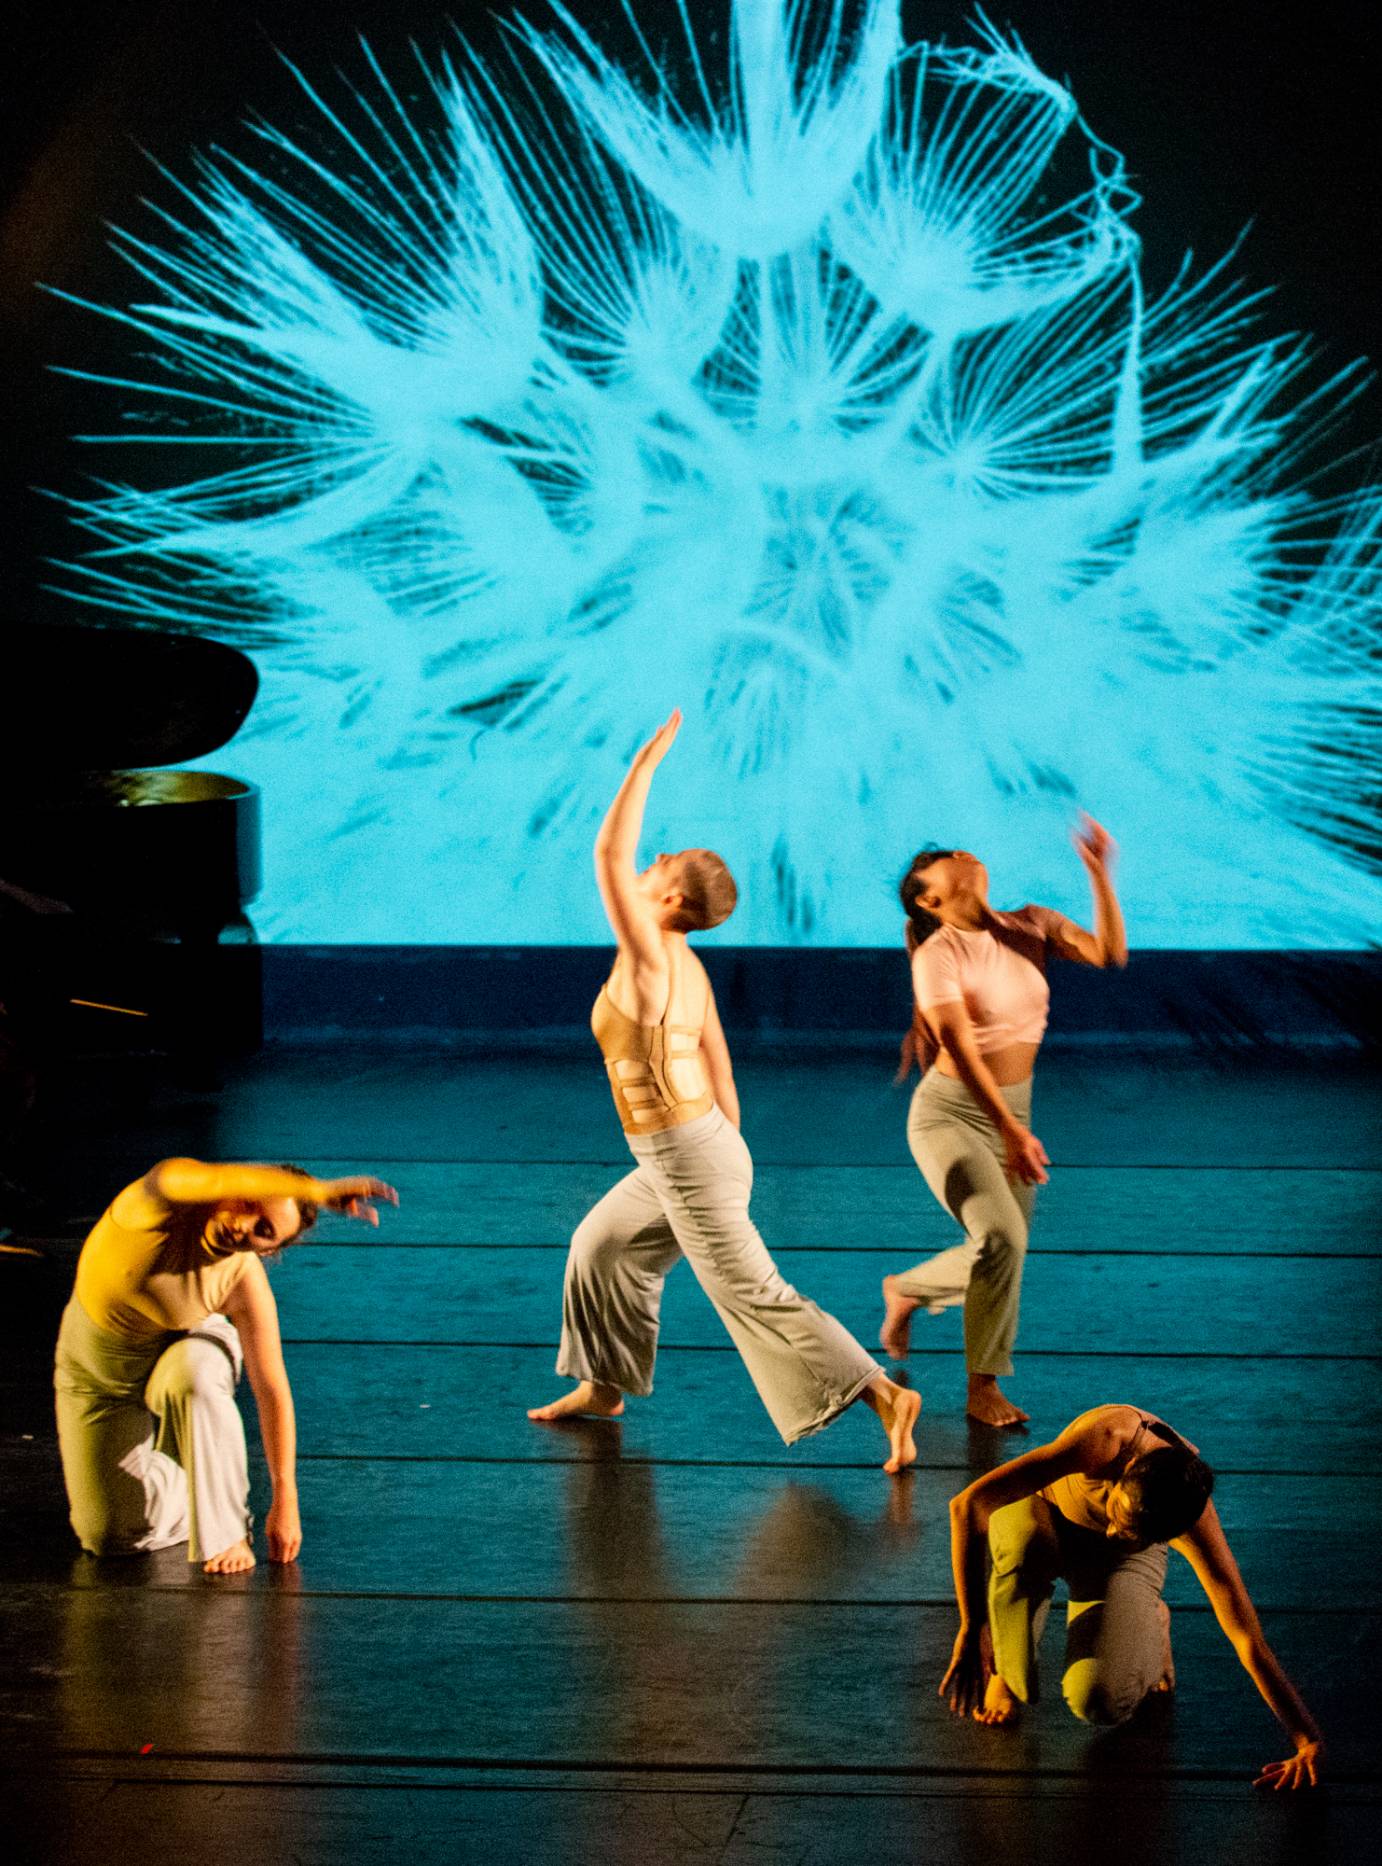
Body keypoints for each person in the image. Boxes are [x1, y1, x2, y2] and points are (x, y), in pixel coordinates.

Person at [528, 710, 921, 1472]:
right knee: (601, 1247)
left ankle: (884, 1396)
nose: (657, 855)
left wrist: (644, 764)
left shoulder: (648, 960)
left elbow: (609, 855)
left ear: (672, 904)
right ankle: (603, 1389)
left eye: (666, 863)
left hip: (687, 1157)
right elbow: (722, 1065)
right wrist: (727, 1155)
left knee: (754, 1294)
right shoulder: (686, 966)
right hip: (700, 1150)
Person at [938, 1402, 1325, 1790]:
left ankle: (1152, 1622)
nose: (1110, 1528)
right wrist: (973, 1628)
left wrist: (1306, 1739)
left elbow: (1248, 1639)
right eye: (1114, 1509)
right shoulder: (1106, 1440)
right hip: (1047, 1513)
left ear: (1167, 1536)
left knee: (1101, 1700)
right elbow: (968, 1505)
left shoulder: (1195, 1523)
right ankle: (1005, 1669)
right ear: (1123, 1476)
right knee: (1023, 1540)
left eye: (1128, 1530)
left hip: (1113, 1565)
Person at [879, 825, 1127, 1426]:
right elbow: (959, 1047)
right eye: (940, 862)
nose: (960, 854)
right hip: (950, 1113)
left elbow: (1107, 954)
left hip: (1015, 1109)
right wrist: (1010, 1133)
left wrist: (1100, 874)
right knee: (1003, 1242)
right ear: (927, 901)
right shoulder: (939, 955)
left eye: (959, 849)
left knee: (1002, 1251)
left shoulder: (1032, 925)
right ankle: (982, 1391)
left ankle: (909, 1289)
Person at [53, 1158, 398, 1573]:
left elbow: (272, 1389)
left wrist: (285, 1499)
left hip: (185, 1352)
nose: (245, 1226)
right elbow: (205, 1176)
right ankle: (192, 1477)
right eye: (251, 1204)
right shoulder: (155, 1207)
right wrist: (317, 1191)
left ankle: (227, 1525)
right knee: (109, 1537)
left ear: (268, 1250)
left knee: (195, 1375)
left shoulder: (241, 1278)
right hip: (101, 1375)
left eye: (264, 1231)